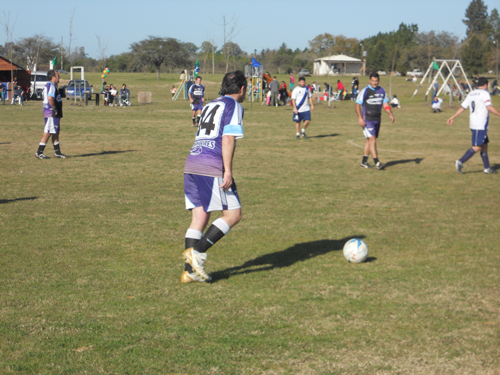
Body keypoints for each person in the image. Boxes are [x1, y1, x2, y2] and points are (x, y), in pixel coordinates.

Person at [181, 70, 247, 283]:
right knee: (233, 214)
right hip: (211, 165)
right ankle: (196, 253)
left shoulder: (209, 104)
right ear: (242, 89)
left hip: (192, 161)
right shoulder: (234, 106)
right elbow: (228, 138)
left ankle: (188, 273)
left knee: (199, 218)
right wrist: (227, 170)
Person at [447, 77, 500, 174]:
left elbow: (463, 107)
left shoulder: (471, 93)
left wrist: (453, 117)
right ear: (485, 85)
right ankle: (460, 161)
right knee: (478, 146)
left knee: (484, 145)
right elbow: (489, 107)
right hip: (480, 124)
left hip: (474, 123)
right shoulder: (485, 93)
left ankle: (487, 168)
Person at [355, 72, 395, 169]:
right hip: (367, 119)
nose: (374, 83)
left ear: (378, 80)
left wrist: (390, 113)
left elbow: (385, 104)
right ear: (369, 80)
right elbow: (357, 104)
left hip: (377, 119)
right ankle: (377, 163)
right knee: (373, 140)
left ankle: (364, 162)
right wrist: (360, 117)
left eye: (376, 81)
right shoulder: (365, 91)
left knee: (369, 140)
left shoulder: (382, 91)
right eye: (373, 81)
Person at [35, 70, 65, 159]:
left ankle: (57, 152)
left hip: (52, 113)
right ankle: (39, 152)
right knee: (47, 132)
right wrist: (54, 108)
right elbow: (50, 97)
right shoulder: (51, 85)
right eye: (58, 76)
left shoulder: (49, 86)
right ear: (53, 77)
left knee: (55, 132)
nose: (59, 77)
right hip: (51, 112)